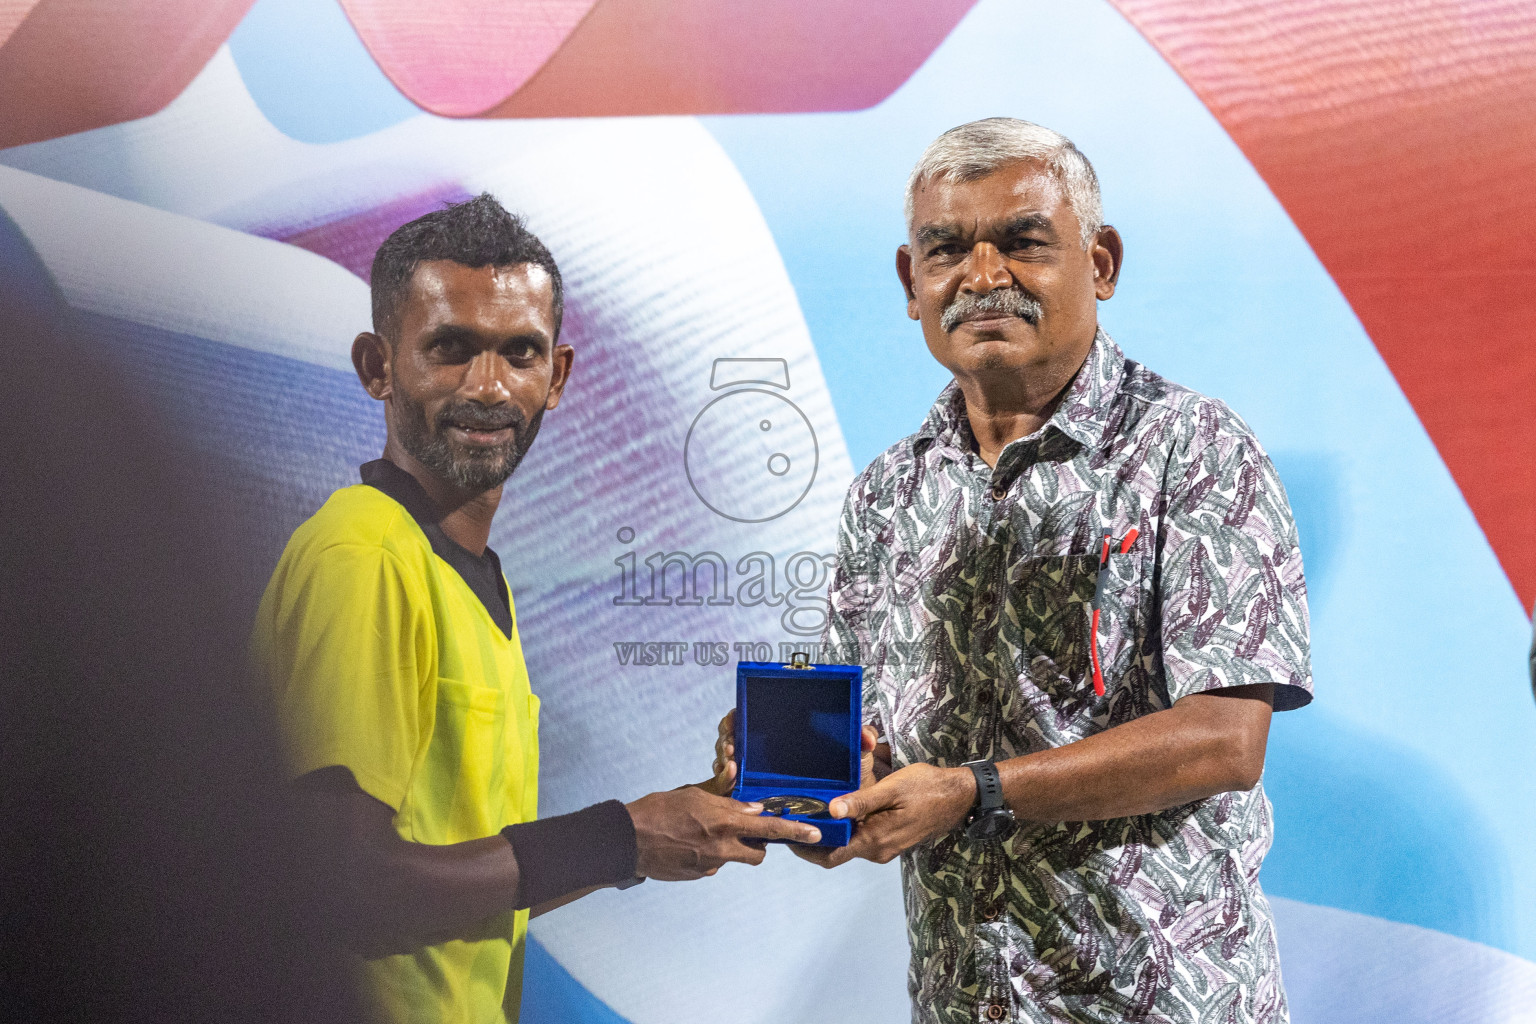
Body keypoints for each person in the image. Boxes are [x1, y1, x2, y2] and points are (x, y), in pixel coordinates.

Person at [713, 118, 1312, 1024]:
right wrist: (805, 778)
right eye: (947, 248)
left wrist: (972, 791)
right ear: (913, 285)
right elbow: (872, 737)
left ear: (1100, 264)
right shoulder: (887, 492)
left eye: (1023, 242)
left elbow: (1224, 740)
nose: (983, 276)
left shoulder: (1194, 451)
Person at [250, 194, 820, 1024]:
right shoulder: (364, 557)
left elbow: (462, 892)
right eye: (450, 349)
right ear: (377, 365)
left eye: (519, 353)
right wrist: (620, 837)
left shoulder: (471, 571)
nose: (488, 386)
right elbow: (340, 885)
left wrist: (662, 831)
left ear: (557, 378)